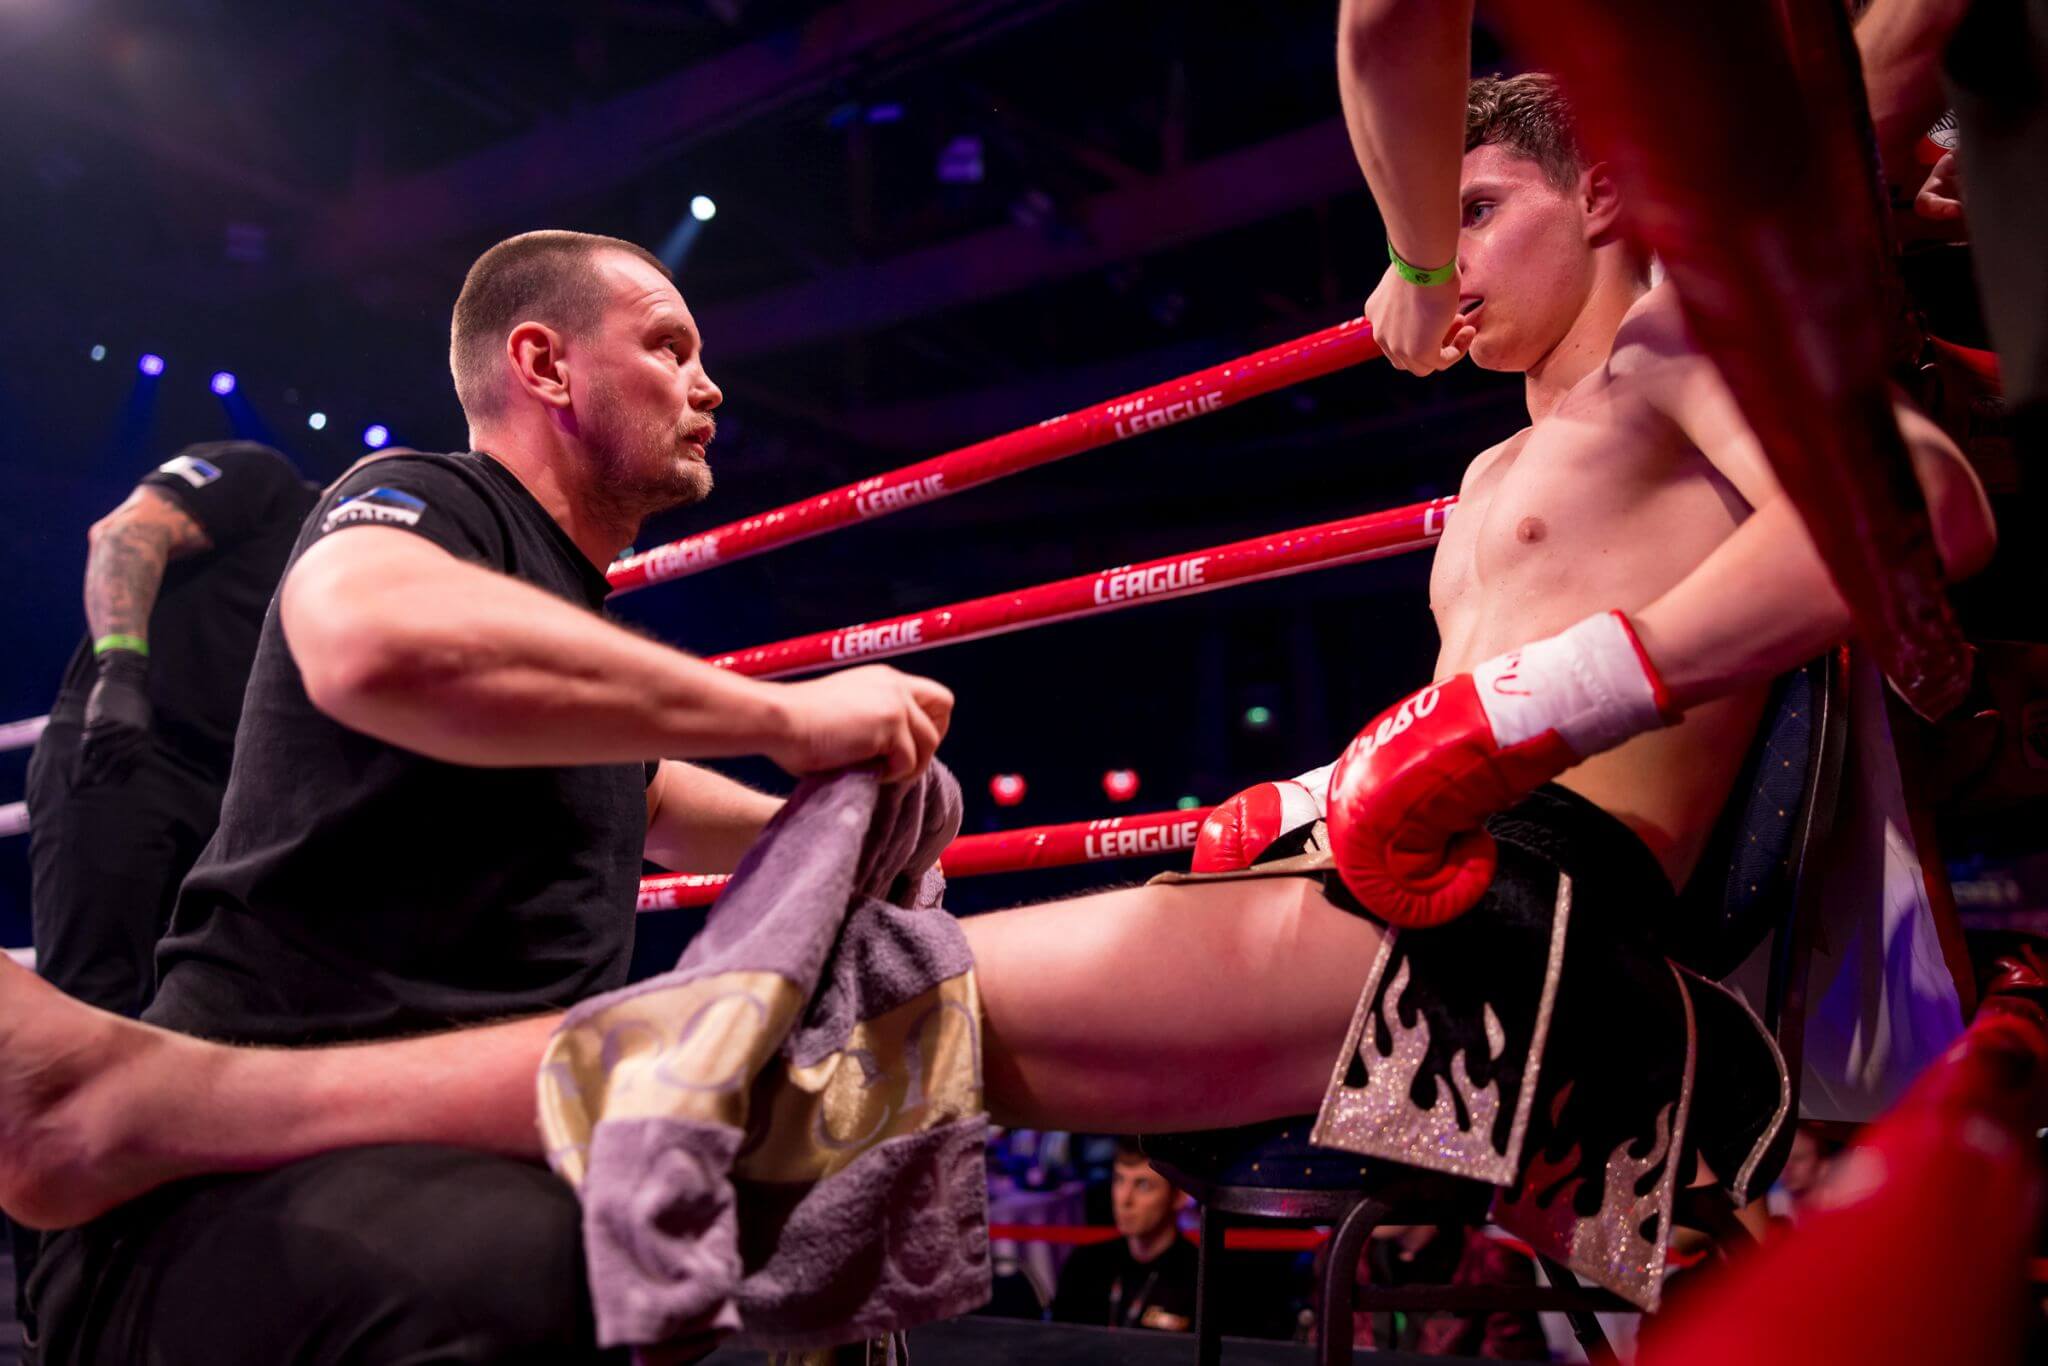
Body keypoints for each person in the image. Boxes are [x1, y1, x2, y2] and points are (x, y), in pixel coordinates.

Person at [0, 76, 1996, 1353]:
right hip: (1428, 879)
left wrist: (1510, 716)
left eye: (1477, 208)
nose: (1444, 259)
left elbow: (1919, 509)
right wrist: (1343, 774)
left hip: (1523, 917)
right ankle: (189, 1117)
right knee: (845, 1037)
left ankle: (178, 1107)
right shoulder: (1505, 460)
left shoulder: (1677, 350)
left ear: (1609, 194)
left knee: (845, 1029)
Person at [14, 229, 956, 1365]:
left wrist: (859, 837)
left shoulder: (558, 635)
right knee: (570, 1266)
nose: (709, 386)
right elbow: (370, 640)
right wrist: (787, 717)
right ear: (546, 365)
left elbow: (649, 796)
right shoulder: (424, 496)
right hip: (221, 1189)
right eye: (669, 347)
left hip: (402, 1165)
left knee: (681, 1230)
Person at [26, 441, 318, 1018]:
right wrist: (121, 668)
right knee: (93, 1002)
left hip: (228, 801)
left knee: (199, 1013)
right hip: (125, 750)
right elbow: (125, 532)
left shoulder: (352, 578)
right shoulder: (267, 484)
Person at [1048, 1140, 1198, 1333]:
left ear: (1179, 1197)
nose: (1125, 1199)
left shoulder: (1199, 1279)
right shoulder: (1085, 1265)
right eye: (1119, 1180)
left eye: (1143, 1185)